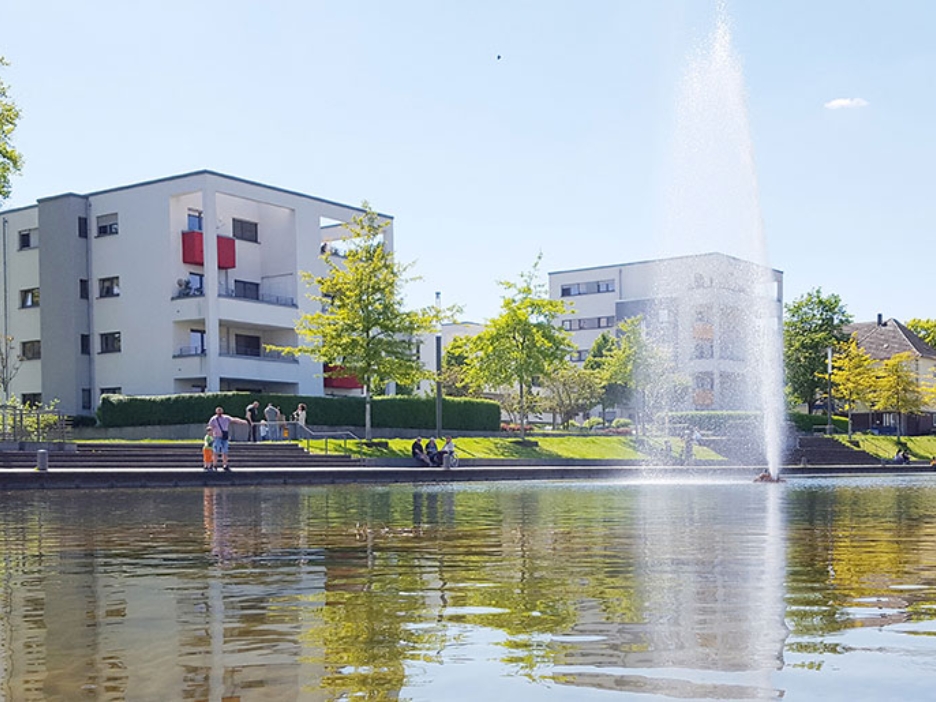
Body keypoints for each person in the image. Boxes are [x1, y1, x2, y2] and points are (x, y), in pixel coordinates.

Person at [207, 407, 247, 471]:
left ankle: (225, 464)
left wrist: (242, 421)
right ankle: (214, 464)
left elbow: (234, 419)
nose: (219, 413)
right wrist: (211, 435)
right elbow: (210, 427)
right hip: (217, 437)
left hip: (224, 437)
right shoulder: (213, 419)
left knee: (225, 451)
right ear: (216, 412)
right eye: (218, 411)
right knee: (216, 451)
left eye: (220, 411)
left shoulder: (226, 418)